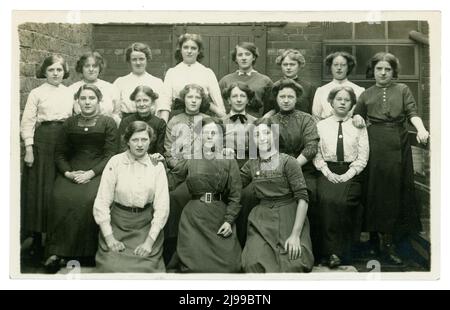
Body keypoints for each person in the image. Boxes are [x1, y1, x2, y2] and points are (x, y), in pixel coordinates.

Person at [353, 52, 429, 265]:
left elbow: (412, 113)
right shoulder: (366, 93)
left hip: (398, 141)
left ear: (393, 71)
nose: (383, 72)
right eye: (379, 69)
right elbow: (357, 115)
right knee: (376, 191)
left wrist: (421, 130)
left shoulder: (402, 89)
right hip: (374, 143)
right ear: (373, 71)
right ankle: (377, 242)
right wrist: (358, 117)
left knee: (395, 190)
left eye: (387, 69)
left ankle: (392, 242)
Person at [44, 84, 117, 271]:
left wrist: (91, 173)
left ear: (99, 101)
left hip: (98, 171)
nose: (87, 102)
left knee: (88, 199)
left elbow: (110, 154)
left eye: (91, 98)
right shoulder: (69, 123)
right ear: (77, 101)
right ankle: (57, 252)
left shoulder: (108, 123)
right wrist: (67, 172)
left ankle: (87, 252)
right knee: (58, 196)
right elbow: (59, 153)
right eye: (83, 98)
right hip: (72, 172)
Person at [167, 117, 242, 272]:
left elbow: (235, 195)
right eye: (205, 132)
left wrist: (229, 221)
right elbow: (171, 180)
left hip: (219, 216)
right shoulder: (190, 158)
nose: (209, 136)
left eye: (213, 133)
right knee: (194, 267)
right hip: (193, 218)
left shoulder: (228, 159)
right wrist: (155, 164)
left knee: (230, 266)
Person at [93, 121, 170, 273]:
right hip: (118, 225)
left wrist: (149, 242)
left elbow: (162, 207)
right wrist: (110, 238)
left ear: (150, 141)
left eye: (144, 140)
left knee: (146, 268)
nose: (140, 144)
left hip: (145, 226)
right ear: (127, 141)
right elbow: (102, 201)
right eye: (135, 140)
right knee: (111, 267)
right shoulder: (115, 162)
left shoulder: (157, 166)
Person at [240, 118, 314, 272]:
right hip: (261, 220)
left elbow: (303, 199)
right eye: (257, 134)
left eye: (266, 132)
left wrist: (295, 235)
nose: (262, 137)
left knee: (293, 265)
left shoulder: (289, 162)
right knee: (252, 265)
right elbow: (233, 185)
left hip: (289, 216)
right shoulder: (252, 164)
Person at [20, 54, 73, 259]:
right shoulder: (36, 93)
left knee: (58, 188)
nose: (55, 73)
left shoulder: (69, 93)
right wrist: (30, 148)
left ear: (64, 72)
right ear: (45, 72)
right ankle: (36, 239)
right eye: (51, 70)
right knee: (39, 189)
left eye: (59, 69)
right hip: (43, 141)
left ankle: (56, 240)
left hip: (64, 140)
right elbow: (28, 121)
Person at [313, 86, 369, 268]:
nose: (343, 102)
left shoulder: (358, 125)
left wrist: (348, 174)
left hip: (352, 172)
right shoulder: (321, 125)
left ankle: (342, 252)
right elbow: (317, 154)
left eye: (347, 100)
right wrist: (327, 172)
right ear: (331, 102)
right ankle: (326, 252)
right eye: (339, 99)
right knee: (325, 200)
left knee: (345, 203)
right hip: (326, 171)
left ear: (352, 104)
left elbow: (363, 156)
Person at [269, 78, 321, 259]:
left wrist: (292, 167)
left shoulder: (306, 119)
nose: (285, 100)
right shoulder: (269, 121)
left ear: (296, 98)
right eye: (282, 96)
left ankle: (309, 246)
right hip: (274, 170)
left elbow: (311, 147)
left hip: (302, 168)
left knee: (310, 194)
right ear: (276, 98)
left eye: (290, 96)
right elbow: (263, 149)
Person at [164, 33, 226, 118]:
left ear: (199, 51)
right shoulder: (172, 73)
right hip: (178, 118)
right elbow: (165, 102)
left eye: (193, 48)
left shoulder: (207, 72)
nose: (189, 51)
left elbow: (218, 102)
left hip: (202, 118)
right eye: (185, 47)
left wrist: (223, 118)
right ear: (180, 49)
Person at [113, 42, 171, 122]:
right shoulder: (120, 82)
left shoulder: (157, 82)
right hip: (127, 125)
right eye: (134, 59)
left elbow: (164, 108)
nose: (138, 63)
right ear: (129, 61)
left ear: (147, 59)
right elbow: (115, 112)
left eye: (141, 59)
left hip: (151, 126)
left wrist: (161, 128)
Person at [219, 42, 273, 117]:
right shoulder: (225, 80)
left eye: (247, 54)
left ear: (253, 57)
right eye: (240, 55)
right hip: (230, 123)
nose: (244, 58)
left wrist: (263, 120)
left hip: (255, 123)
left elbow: (271, 107)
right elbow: (218, 104)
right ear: (235, 58)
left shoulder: (265, 81)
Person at [68, 51, 121, 126]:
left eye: (95, 66)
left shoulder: (111, 88)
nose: (91, 69)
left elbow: (116, 114)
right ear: (81, 68)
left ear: (100, 68)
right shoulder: (72, 89)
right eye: (87, 66)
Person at [312, 51, 365, 121]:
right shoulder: (321, 90)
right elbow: (316, 117)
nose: (339, 68)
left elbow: (361, 116)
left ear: (348, 67)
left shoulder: (359, 90)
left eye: (343, 65)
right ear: (330, 67)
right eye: (335, 65)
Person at [263, 49, 317, 117]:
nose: (288, 67)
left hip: (302, 125)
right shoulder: (274, 87)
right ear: (281, 66)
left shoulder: (309, 88)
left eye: (292, 64)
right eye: (285, 64)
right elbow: (268, 112)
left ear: (299, 66)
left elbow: (312, 113)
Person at [117, 85, 166, 156]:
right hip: (129, 161)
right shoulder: (126, 122)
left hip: (150, 161)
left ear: (152, 102)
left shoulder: (159, 123)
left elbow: (159, 151)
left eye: (145, 100)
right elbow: (122, 148)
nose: (141, 104)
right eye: (138, 101)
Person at [221, 81, 257, 167]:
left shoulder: (256, 122)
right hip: (225, 166)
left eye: (243, 96)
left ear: (248, 100)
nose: (239, 100)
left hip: (250, 167)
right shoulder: (220, 122)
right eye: (234, 96)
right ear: (229, 100)